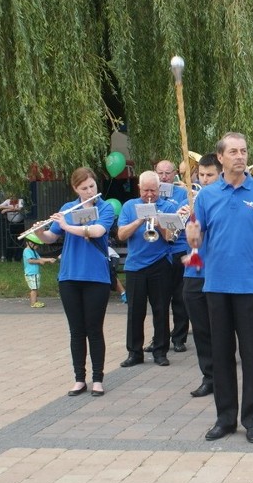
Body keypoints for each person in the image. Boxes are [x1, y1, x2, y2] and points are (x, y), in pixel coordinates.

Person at [186, 132, 253, 444]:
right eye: (234, 151)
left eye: (243, 150)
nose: (240, 156)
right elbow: (197, 243)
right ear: (221, 158)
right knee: (222, 354)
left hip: (252, 288)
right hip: (216, 286)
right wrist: (192, 234)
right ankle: (225, 419)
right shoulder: (207, 196)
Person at [35, 168, 114, 397]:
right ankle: (79, 378)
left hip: (96, 277)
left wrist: (68, 226)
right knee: (76, 331)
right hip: (69, 275)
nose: (90, 191)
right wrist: (40, 233)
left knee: (94, 329)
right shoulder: (67, 209)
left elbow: (98, 231)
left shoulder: (104, 207)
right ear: (75, 189)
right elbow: (52, 237)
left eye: (92, 186)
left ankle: (98, 379)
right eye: (84, 188)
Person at [118, 171, 177, 368]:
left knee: (160, 310)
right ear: (139, 188)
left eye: (153, 190)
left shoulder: (168, 206)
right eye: (145, 190)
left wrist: (158, 223)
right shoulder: (129, 206)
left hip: (160, 264)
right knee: (135, 311)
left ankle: (161, 352)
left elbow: (171, 237)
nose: (149, 194)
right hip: (135, 266)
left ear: (159, 189)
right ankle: (134, 353)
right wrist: (140, 220)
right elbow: (121, 234)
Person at [181, 153, 222, 398]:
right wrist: (187, 219)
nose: (205, 180)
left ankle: (226, 373)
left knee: (221, 326)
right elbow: (171, 236)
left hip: (217, 271)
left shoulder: (222, 200)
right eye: (202, 175)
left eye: (210, 175)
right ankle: (209, 376)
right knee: (200, 328)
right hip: (194, 271)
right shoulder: (192, 202)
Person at [151, 159, 190, 353]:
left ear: (175, 173)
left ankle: (179, 338)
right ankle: (159, 338)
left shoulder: (183, 193)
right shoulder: (151, 194)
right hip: (158, 251)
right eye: (160, 173)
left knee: (180, 298)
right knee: (160, 300)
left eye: (168, 173)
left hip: (179, 249)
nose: (164, 176)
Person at [23, 238, 56, 308]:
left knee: (35, 287)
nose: (37, 247)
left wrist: (49, 259)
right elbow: (30, 261)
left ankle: (35, 301)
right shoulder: (27, 251)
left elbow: (39, 258)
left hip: (35, 272)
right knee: (34, 288)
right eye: (36, 245)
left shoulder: (33, 251)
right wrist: (39, 262)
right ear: (30, 243)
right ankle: (33, 303)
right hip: (31, 273)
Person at [0, 195, 25, 261]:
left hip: (20, 223)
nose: (12, 199)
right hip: (10, 223)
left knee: (20, 241)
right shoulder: (7, 201)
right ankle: (9, 258)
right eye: (10, 197)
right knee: (10, 241)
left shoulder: (21, 200)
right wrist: (8, 207)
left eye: (13, 197)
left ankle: (18, 258)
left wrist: (7, 209)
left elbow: (20, 209)